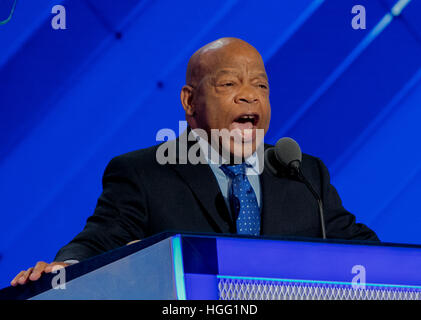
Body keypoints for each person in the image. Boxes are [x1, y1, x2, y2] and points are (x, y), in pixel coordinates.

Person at [11, 37, 378, 287]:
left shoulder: (303, 174)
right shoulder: (144, 173)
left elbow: (365, 251)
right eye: (230, 84)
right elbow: (99, 240)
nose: (250, 96)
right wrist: (65, 269)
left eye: (261, 86)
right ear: (189, 102)